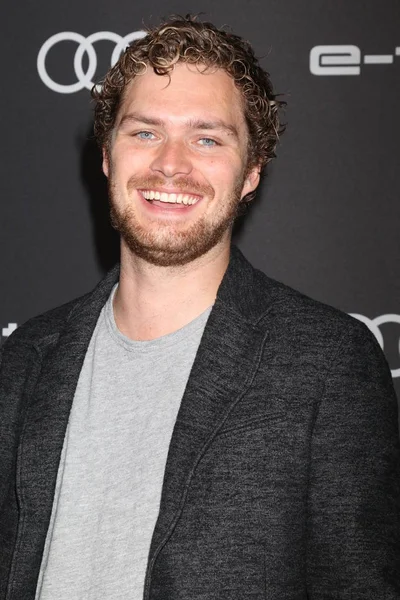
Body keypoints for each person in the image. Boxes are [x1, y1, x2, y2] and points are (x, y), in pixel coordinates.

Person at [0, 15, 399, 600]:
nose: (171, 164)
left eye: (208, 138)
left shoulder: (327, 365)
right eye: (145, 132)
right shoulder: (26, 360)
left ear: (250, 174)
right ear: (107, 157)